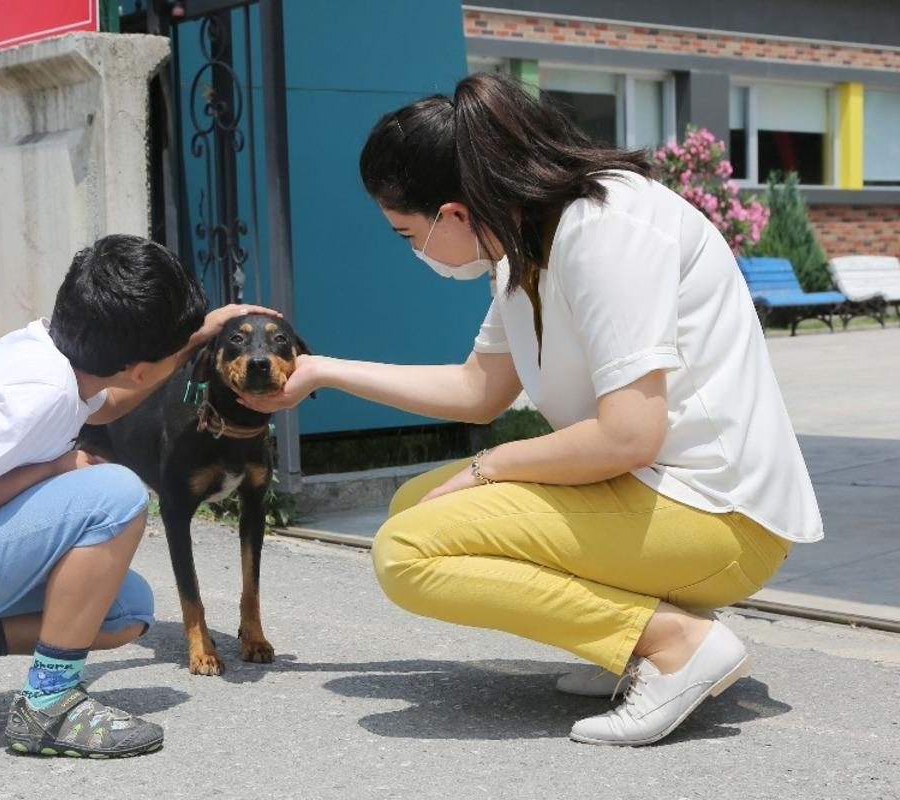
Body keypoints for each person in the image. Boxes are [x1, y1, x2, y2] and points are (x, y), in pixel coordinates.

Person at [240, 72, 823, 746]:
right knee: (414, 510)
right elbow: (478, 390)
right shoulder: (525, 243)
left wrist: (490, 466)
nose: (414, 253)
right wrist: (322, 373)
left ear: (454, 212)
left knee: (408, 552)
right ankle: (630, 640)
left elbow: (631, 433)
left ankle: (674, 642)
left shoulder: (607, 230)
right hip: (655, 490)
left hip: (720, 515)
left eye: (408, 235)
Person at [0, 233, 271, 758]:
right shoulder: (41, 391)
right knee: (115, 493)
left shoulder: (54, 350)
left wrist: (191, 338)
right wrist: (55, 466)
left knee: (124, 613)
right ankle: (49, 705)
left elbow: (109, 404)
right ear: (143, 369)